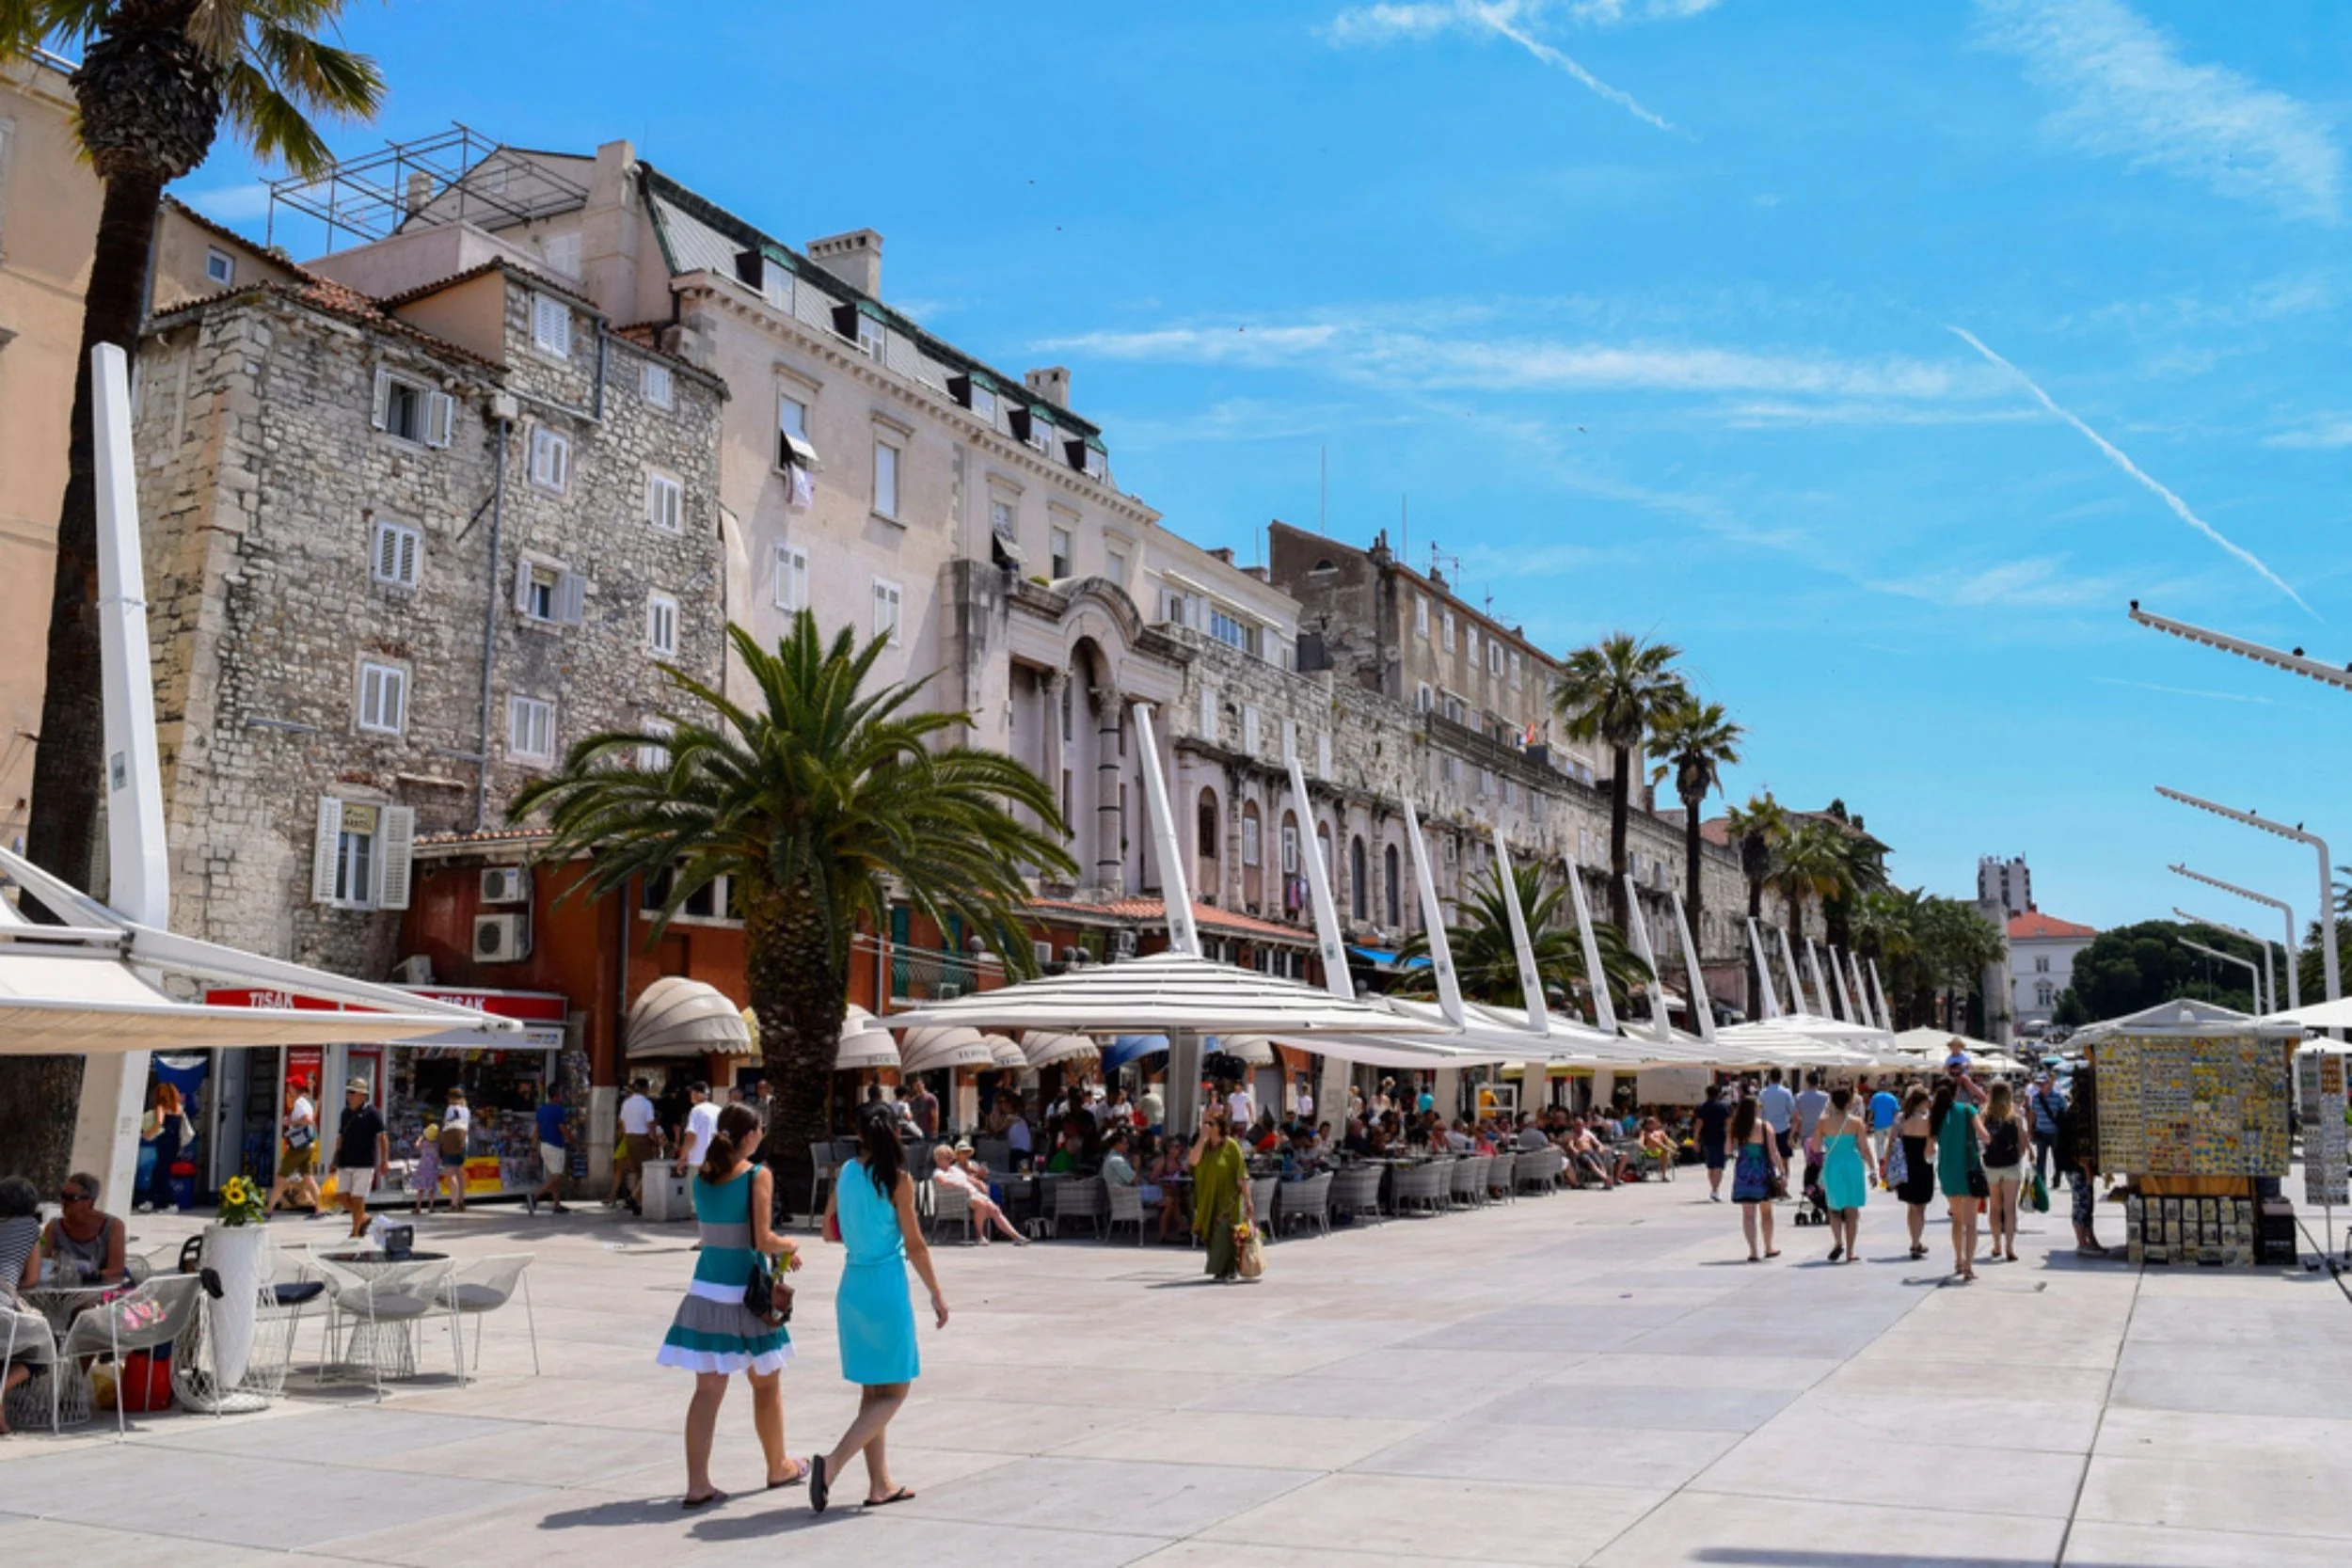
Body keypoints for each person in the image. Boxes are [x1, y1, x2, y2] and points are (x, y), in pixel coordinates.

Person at [658, 1101, 803, 1507]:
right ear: (750, 1134)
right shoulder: (757, 1175)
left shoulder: (705, 1177)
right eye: (761, 1128)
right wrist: (790, 1244)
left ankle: (697, 1483)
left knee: (707, 1391)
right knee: (766, 1383)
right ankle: (779, 1467)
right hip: (745, 1298)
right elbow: (762, 1239)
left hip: (705, 1292)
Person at [808, 1107, 949, 1514]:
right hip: (886, 1287)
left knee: (873, 1392)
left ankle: (879, 1483)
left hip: (852, 1285)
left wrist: (862, 1233)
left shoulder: (847, 1173)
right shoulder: (898, 1180)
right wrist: (937, 1294)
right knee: (897, 1390)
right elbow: (917, 1244)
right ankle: (832, 1464)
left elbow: (828, 1230)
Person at [1931, 1072, 1989, 1282]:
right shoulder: (1967, 1110)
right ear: (1957, 1091)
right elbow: (1984, 1135)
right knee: (1971, 1223)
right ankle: (1969, 1265)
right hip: (1969, 1169)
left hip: (1947, 1171)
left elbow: (1929, 1149)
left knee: (1957, 1220)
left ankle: (1957, 1260)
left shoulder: (1936, 1115)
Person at [0, 1176, 44, 1437]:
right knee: (44, 1345)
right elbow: (31, 1279)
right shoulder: (30, 1228)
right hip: (2, 1307)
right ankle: (2, 1387)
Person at [1190, 1106, 1253, 1282]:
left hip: (1228, 1199)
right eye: (1205, 1123)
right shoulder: (1203, 1145)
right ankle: (1226, 1268)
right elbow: (1193, 1161)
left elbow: (1242, 1175)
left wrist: (1248, 1200)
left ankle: (1223, 1269)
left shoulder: (1231, 1146)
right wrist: (1202, 1138)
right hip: (1207, 1198)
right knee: (1210, 1233)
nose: (1207, 1126)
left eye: (1211, 1124)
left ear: (1220, 1126)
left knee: (1224, 1232)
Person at [1813, 1086, 1869, 1262]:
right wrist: (1874, 1168)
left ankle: (1838, 1241)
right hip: (1852, 1164)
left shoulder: (1823, 1122)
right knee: (1852, 1210)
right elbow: (1864, 1148)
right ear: (1849, 1103)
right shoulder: (1857, 1122)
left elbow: (1815, 1147)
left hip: (1833, 1165)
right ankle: (1850, 1252)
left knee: (1834, 1207)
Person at [930, 1145, 1025, 1244]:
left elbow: (969, 1178)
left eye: (949, 1157)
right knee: (981, 1204)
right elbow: (943, 1182)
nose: (949, 1159)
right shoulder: (938, 1172)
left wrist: (979, 1183)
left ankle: (1016, 1236)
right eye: (946, 1157)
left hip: (972, 1194)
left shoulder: (955, 1170)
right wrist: (961, 1185)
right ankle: (980, 1236)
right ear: (938, 1159)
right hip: (960, 1197)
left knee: (995, 1209)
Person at [1979, 1080, 2030, 1264]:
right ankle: (2010, 1247)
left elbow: (1980, 1141)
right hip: (2011, 1165)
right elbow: (2024, 1143)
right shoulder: (2015, 1116)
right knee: (2010, 1208)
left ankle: (1996, 1245)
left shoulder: (1984, 1115)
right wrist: (2019, 1154)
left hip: (1991, 1165)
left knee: (1995, 1207)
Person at [1727, 1096, 1783, 1262]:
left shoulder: (1736, 1127)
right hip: (1762, 1171)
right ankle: (1768, 1247)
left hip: (1744, 1171)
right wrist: (1782, 1171)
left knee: (1748, 1213)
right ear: (1756, 1108)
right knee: (1766, 1211)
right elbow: (1773, 1152)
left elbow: (1728, 1150)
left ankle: (1753, 1250)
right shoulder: (1765, 1127)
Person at [331, 1080, 389, 1239]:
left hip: (364, 1162)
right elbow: (341, 1137)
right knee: (341, 1196)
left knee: (358, 1198)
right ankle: (362, 1217)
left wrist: (384, 1160)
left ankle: (355, 1230)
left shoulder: (372, 1113)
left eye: (353, 1092)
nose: (349, 1096)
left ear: (363, 1096)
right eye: (348, 1092)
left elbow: (382, 1137)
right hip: (345, 1160)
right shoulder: (345, 1113)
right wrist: (334, 1159)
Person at [1890, 1085, 1935, 1259]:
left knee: (1911, 1206)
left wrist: (1886, 1163)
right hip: (1923, 1164)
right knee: (1920, 1206)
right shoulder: (1928, 1120)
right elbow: (1930, 1146)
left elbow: (1892, 1142)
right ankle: (1916, 1242)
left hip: (1905, 1164)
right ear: (1922, 1102)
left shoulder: (1901, 1118)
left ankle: (1914, 1240)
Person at [267, 1076, 322, 1217]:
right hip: (307, 1145)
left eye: (290, 1086)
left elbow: (308, 1120)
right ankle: (320, 1208)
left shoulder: (299, 1103)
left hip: (298, 1147)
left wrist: (290, 1121)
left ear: (295, 1088)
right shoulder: (306, 1102)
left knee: (281, 1177)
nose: (288, 1088)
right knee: (309, 1178)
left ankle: (268, 1211)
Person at [138, 1082, 188, 1214]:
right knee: (161, 1172)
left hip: (164, 1142)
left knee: (161, 1173)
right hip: (174, 1143)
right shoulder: (179, 1108)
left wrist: (148, 1133)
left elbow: (159, 1122)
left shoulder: (161, 1107)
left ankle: (169, 1202)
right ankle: (151, 1201)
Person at [613, 1077, 657, 1212]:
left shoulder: (626, 1103)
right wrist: (654, 1139)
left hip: (629, 1138)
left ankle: (638, 1203)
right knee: (648, 1170)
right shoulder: (647, 1104)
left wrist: (625, 1135)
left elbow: (621, 1122)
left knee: (634, 1171)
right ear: (645, 1089)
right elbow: (650, 1124)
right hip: (642, 1139)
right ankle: (634, 1197)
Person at [533, 1085, 572, 1215]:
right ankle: (536, 1194)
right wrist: (573, 1141)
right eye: (560, 1094)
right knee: (557, 1177)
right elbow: (563, 1128)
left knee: (554, 1175)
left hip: (544, 1145)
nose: (561, 1097)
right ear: (556, 1095)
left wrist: (533, 1147)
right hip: (556, 1146)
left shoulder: (542, 1110)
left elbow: (536, 1130)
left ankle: (557, 1204)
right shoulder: (558, 1110)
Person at [1792, 1072, 1830, 1199]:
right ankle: (1822, 1186)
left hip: (1807, 1135)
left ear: (1807, 1082)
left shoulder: (1799, 1097)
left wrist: (1793, 1134)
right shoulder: (1826, 1097)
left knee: (1811, 1162)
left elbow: (1797, 1117)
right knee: (1824, 1162)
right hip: (1824, 1133)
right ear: (1818, 1082)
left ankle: (1812, 1187)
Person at [2028, 1071, 2068, 1189]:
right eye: (2038, 1084)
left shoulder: (2058, 1097)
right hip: (2041, 1132)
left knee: (2057, 1157)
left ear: (2049, 1084)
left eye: (2042, 1083)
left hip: (2055, 1132)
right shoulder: (2036, 1098)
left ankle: (2056, 1179)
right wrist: (2030, 1130)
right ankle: (2042, 1181)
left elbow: (2065, 1113)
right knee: (2041, 1158)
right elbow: (2033, 1114)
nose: (2040, 1086)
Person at [1694, 1083, 1733, 1201]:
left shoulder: (1702, 1107)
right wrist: (1730, 1139)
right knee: (1719, 1166)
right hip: (1721, 1137)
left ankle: (1714, 1188)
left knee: (1710, 1165)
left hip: (1707, 1138)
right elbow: (1729, 1124)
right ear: (1718, 1094)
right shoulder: (1724, 1107)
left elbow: (1698, 1124)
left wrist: (1695, 1140)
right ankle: (1716, 1189)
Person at [437, 1086, 471, 1213]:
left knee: (451, 1174)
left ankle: (453, 1204)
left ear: (451, 1098)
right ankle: (462, 1201)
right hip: (463, 1143)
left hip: (450, 1144)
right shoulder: (467, 1110)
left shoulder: (451, 1109)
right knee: (459, 1173)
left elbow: (446, 1125)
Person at [1756, 1068, 1795, 1173]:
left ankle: (1770, 1184)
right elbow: (1793, 1112)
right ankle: (1784, 1183)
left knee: (1768, 1159)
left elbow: (1759, 1113)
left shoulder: (1763, 1093)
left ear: (1769, 1078)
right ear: (1781, 1078)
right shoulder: (1786, 1093)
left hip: (1767, 1129)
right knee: (1784, 1160)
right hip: (1783, 1129)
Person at [678, 1083, 720, 1177]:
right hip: (714, 1159)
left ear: (696, 1094)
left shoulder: (696, 1110)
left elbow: (691, 1136)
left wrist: (682, 1158)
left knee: (696, 1190)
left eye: (692, 1093)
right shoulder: (718, 1109)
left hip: (698, 1160)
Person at [1867, 1076, 1902, 1174]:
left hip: (1878, 1124)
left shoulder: (1875, 1097)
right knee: (1890, 1143)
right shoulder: (1892, 1098)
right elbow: (1896, 1112)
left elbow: (1871, 1112)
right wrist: (1898, 1125)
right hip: (1890, 1124)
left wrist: (1868, 1123)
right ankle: (1889, 1159)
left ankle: (1881, 1160)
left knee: (1879, 1144)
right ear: (1888, 1088)